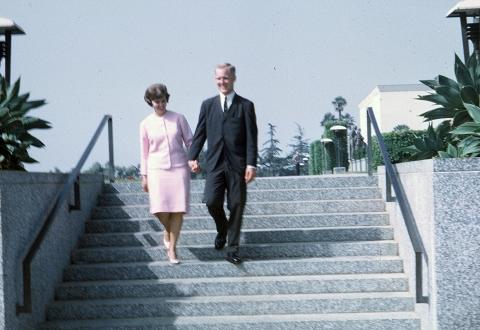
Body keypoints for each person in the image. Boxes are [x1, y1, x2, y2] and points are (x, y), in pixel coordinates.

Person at [188, 63, 258, 265]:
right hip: (215, 165)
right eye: (219, 78)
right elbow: (200, 133)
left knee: (236, 205)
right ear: (214, 79)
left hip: (238, 166)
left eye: (226, 78)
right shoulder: (207, 105)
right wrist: (192, 157)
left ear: (233, 78)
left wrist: (251, 164)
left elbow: (252, 138)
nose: (222, 82)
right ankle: (222, 229)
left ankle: (233, 249)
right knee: (211, 201)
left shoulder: (246, 105)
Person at [140, 83, 193, 264]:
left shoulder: (179, 118)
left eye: (163, 101)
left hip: (179, 168)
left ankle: (172, 249)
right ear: (150, 102)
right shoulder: (145, 124)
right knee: (159, 209)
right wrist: (144, 175)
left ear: (167, 100)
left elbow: (190, 142)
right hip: (156, 170)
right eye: (157, 101)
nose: (160, 105)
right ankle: (167, 231)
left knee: (178, 209)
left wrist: (193, 160)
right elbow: (144, 152)